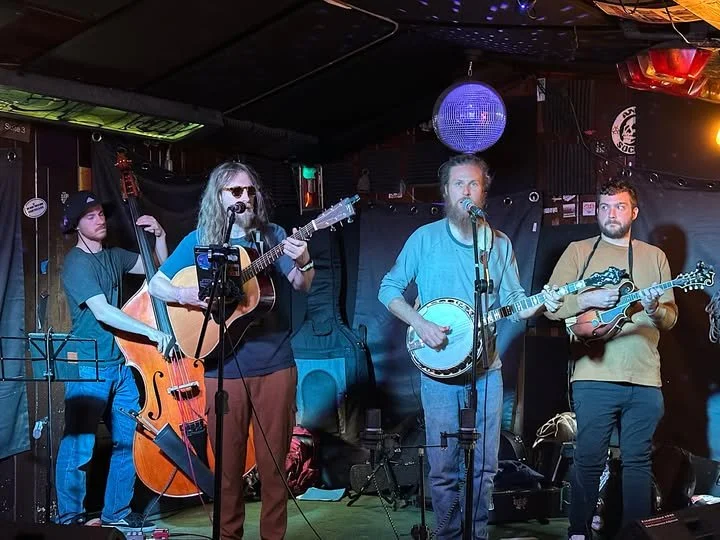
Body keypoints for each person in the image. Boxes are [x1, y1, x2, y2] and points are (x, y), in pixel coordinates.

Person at [378, 154, 563, 540]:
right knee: (444, 468)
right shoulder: (424, 239)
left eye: (473, 184)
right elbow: (388, 289)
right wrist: (420, 323)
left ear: (484, 192)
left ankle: (476, 535)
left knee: (484, 467)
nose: (466, 191)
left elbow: (516, 305)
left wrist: (542, 303)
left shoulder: (498, 244)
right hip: (439, 375)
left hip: (486, 372)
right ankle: (447, 535)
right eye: (458, 184)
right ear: (446, 192)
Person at [148, 161, 314, 540]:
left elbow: (300, 283)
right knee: (226, 468)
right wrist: (185, 293)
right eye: (236, 191)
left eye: (250, 190)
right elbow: (158, 284)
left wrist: (304, 260)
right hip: (220, 365)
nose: (246, 198)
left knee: (274, 468)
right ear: (219, 198)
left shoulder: (272, 235)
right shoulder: (200, 239)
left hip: (274, 364)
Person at [544, 178, 678, 539]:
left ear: (634, 212)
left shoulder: (655, 256)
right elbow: (551, 307)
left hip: (644, 377)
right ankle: (578, 532)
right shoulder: (578, 251)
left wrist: (654, 308)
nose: (611, 213)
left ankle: (635, 535)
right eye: (604, 206)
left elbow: (669, 320)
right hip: (593, 375)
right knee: (588, 459)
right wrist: (587, 299)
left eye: (619, 206)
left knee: (637, 461)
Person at [56, 191, 172, 532]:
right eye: (90, 216)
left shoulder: (114, 256)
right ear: (76, 225)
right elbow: (104, 312)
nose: (100, 220)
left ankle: (115, 513)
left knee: (128, 441)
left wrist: (160, 236)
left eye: (101, 214)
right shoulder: (76, 263)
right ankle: (69, 520)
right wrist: (151, 333)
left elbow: (158, 272)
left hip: (120, 364)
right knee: (79, 447)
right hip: (88, 366)